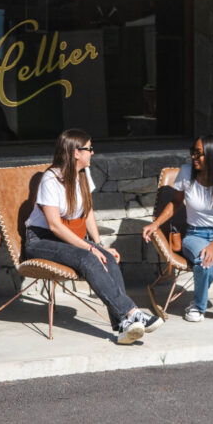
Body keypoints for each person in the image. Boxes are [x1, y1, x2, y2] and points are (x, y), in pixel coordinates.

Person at [22, 128, 161, 344]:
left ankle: (122, 326)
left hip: (66, 238)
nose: (93, 152)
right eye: (89, 148)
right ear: (76, 152)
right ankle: (132, 313)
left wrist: (99, 245)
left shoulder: (82, 175)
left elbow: (87, 213)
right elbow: (54, 226)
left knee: (107, 257)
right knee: (88, 257)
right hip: (41, 240)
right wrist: (89, 248)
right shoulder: (51, 180)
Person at [142, 133, 213, 324]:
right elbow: (175, 203)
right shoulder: (186, 173)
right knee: (205, 263)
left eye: (198, 153)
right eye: (193, 151)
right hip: (196, 234)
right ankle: (198, 304)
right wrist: (155, 223)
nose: (193, 157)